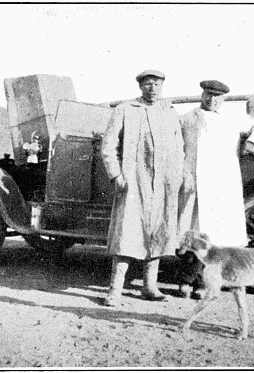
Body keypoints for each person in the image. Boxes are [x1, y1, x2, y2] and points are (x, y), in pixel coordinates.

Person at [176, 80, 254, 299]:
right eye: (208, 95)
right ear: (202, 95)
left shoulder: (233, 119)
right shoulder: (188, 119)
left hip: (223, 187)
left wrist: (253, 143)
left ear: (224, 100)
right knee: (192, 235)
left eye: (217, 97)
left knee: (216, 240)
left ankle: (202, 284)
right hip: (196, 186)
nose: (212, 100)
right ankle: (185, 280)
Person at [100, 69, 186, 307]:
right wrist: (116, 174)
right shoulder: (125, 110)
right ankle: (114, 291)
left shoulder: (169, 113)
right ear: (140, 87)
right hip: (133, 183)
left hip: (162, 184)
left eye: (156, 84)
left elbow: (179, 147)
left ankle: (150, 286)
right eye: (148, 84)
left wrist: (176, 176)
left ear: (162, 86)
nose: (152, 88)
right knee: (127, 235)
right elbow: (108, 146)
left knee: (158, 233)